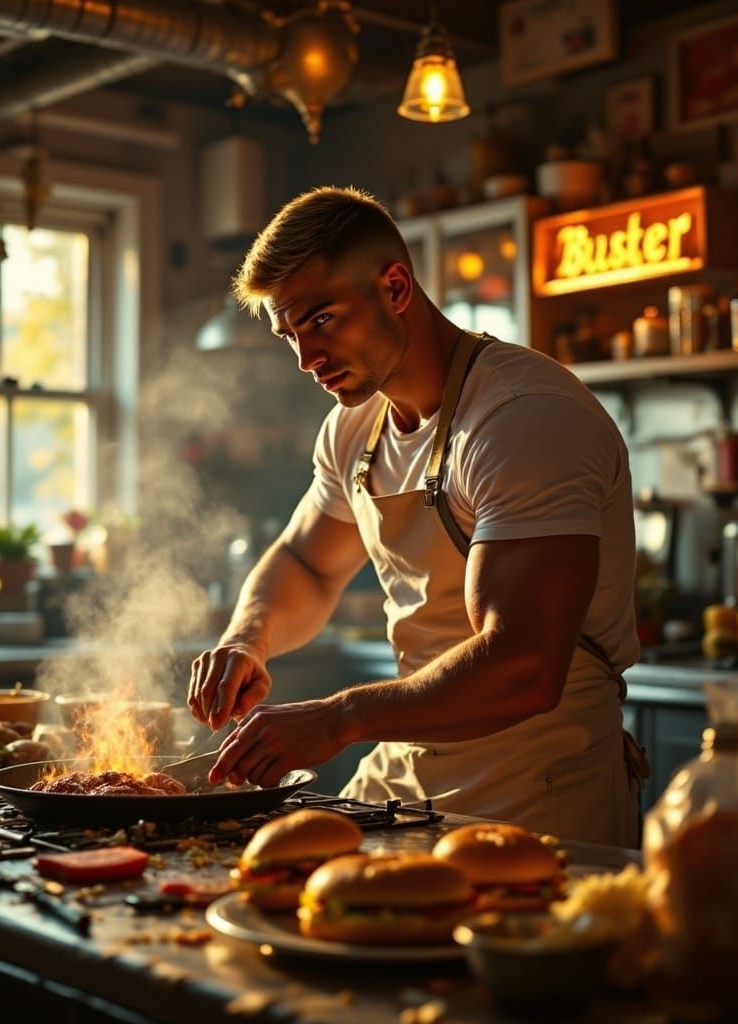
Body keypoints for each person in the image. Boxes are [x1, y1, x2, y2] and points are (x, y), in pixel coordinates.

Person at [188, 186, 644, 847]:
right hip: (407, 768)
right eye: (290, 334)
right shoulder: (353, 428)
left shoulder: (522, 417)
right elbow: (306, 563)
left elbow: (522, 665)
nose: (305, 360)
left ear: (395, 288)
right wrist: (246, 638)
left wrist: (338, 718)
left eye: (322, 320)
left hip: (542, 784)